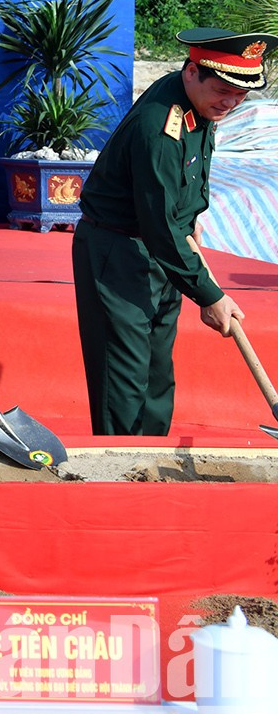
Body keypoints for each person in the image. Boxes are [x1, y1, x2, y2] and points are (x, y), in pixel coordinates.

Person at [73, 28, 264, 435]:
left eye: (241, 95)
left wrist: (191, 224)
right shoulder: (159, 127)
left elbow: (183, 190)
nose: (230, 103)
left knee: (157, 374)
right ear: (192, 71)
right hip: (120, 252)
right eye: (223, 91)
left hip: (164, 250)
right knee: (124, 379)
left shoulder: (198, 101)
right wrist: (209, 295)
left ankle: (151, 455)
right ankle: (120, 463)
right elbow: (158, 223)